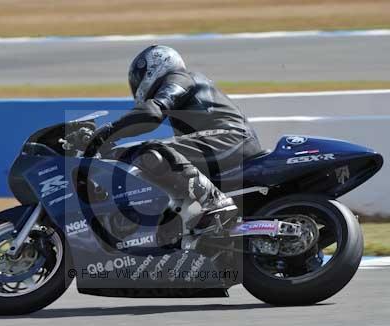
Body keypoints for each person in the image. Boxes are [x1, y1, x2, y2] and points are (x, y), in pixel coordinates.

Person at [85, 45, 263, 228]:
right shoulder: (186, 93)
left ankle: (215, 201)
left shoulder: (180, 78)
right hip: (228, 143)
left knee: (151, 151)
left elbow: (152, 113)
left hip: (231, 139)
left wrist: (108, 132)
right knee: (150, 159)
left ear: (154, 66)